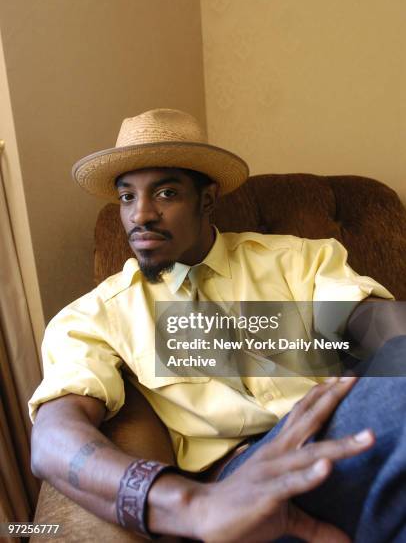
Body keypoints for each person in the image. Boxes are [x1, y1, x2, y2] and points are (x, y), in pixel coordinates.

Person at [29, 108, 406, 542]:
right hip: (242, 483)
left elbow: (373, 324)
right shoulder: (94, 315)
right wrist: (189, 505)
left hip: (350, 433)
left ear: (207, 200)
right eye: (127, 197)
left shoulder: (297, 259)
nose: (141, 215)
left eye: (165, 193)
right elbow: (54, 439)